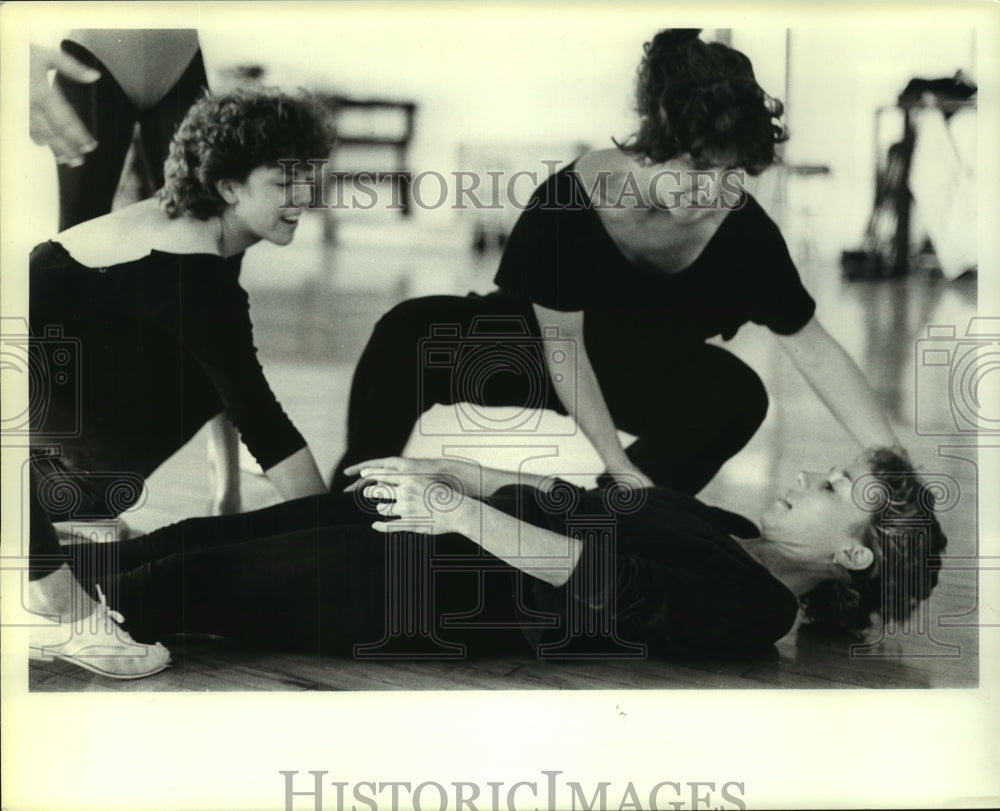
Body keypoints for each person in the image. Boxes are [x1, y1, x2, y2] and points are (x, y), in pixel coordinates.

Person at [329, 28, 899, 495]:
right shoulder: (568, 203)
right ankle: (351, 503)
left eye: (733, 174)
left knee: (736, 393)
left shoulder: (743, 233)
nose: (716, 192)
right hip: (529, 349)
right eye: (699, 170)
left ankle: (618, 522)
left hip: (642, 367)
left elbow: (814, 350)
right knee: (409, 332)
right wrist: (616, 457)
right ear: (652, 146)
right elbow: (564, 350)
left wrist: (894, 462)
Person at [48, 447, 946, 664]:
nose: (806, 477)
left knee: (175, 588)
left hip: (427, 588)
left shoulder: (757, 610)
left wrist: (452, 510)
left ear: (858, 558)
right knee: (173, 545)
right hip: (429, 523)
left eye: (833, 490)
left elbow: (601, 582)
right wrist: (458, 472)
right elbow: (587, 496)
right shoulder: (733, 528)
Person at [28, 88, 335, 678]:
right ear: (228, 187)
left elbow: (229, 387)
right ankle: (52, 599)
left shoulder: (178, 234)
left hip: (43, 454)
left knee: (196, 373)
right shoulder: (192, 272)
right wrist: (332, 534)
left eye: (308, 177)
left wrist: (228, 492)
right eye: (284, 181)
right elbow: (264, 423)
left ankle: (61, 523)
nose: (304, 197)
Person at [30, 30, 244, 516]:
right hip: (93, 49)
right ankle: (60, 474)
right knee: (72, 267)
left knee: (217, 263)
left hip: (179, 55)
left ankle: (227, 482)